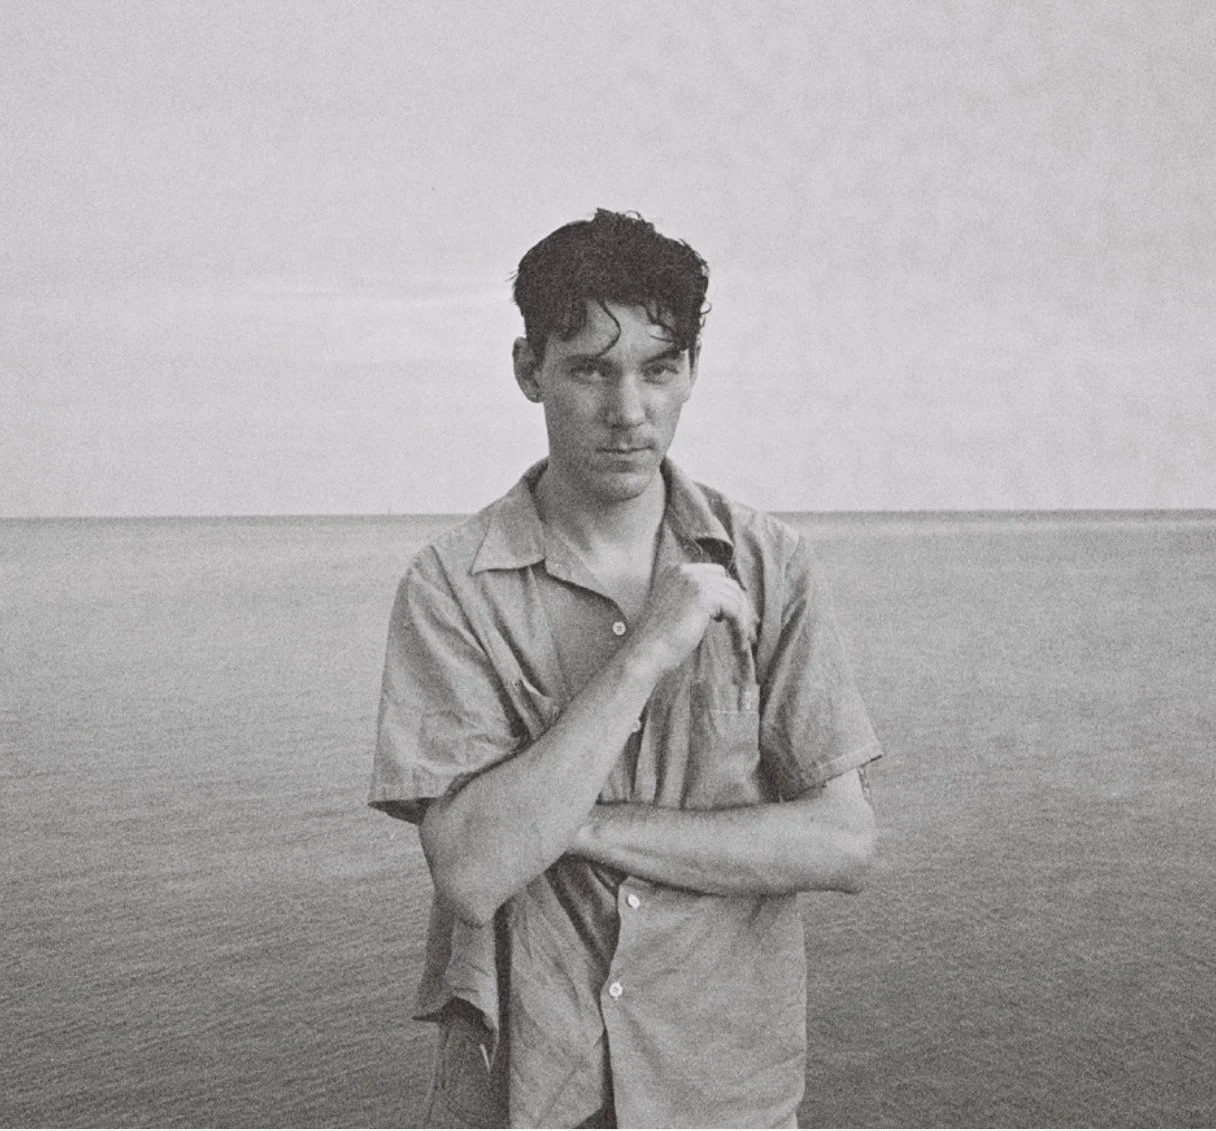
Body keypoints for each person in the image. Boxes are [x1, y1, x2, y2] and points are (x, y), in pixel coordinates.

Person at [367, 210, 882, 1128]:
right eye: (590, 370)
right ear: (529, 370)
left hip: (727, 1095)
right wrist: (646, 653)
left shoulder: (771, 564)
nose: (629, 411)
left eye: (658, 369)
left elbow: (840, 844)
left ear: (692, 372)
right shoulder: (451, 588)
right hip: (530, 1098)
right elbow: (474, 871)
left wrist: (570, 826)